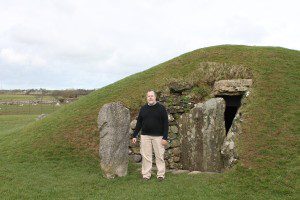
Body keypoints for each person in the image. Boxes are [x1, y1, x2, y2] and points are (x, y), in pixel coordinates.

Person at [132, 89, 169, 181]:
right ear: (146, 98)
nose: (150, 97)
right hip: (145, 136)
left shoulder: (161, 108)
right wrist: (134, 135)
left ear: (155, 97)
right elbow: (139, 123)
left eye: (152, 96)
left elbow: (166, 123)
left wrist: (165, 137)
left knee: (159, 156)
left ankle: (160, 174)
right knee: (146, 156)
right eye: (148, 96)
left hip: (158, 136)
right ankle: (146, 175)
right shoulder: (143, 109)